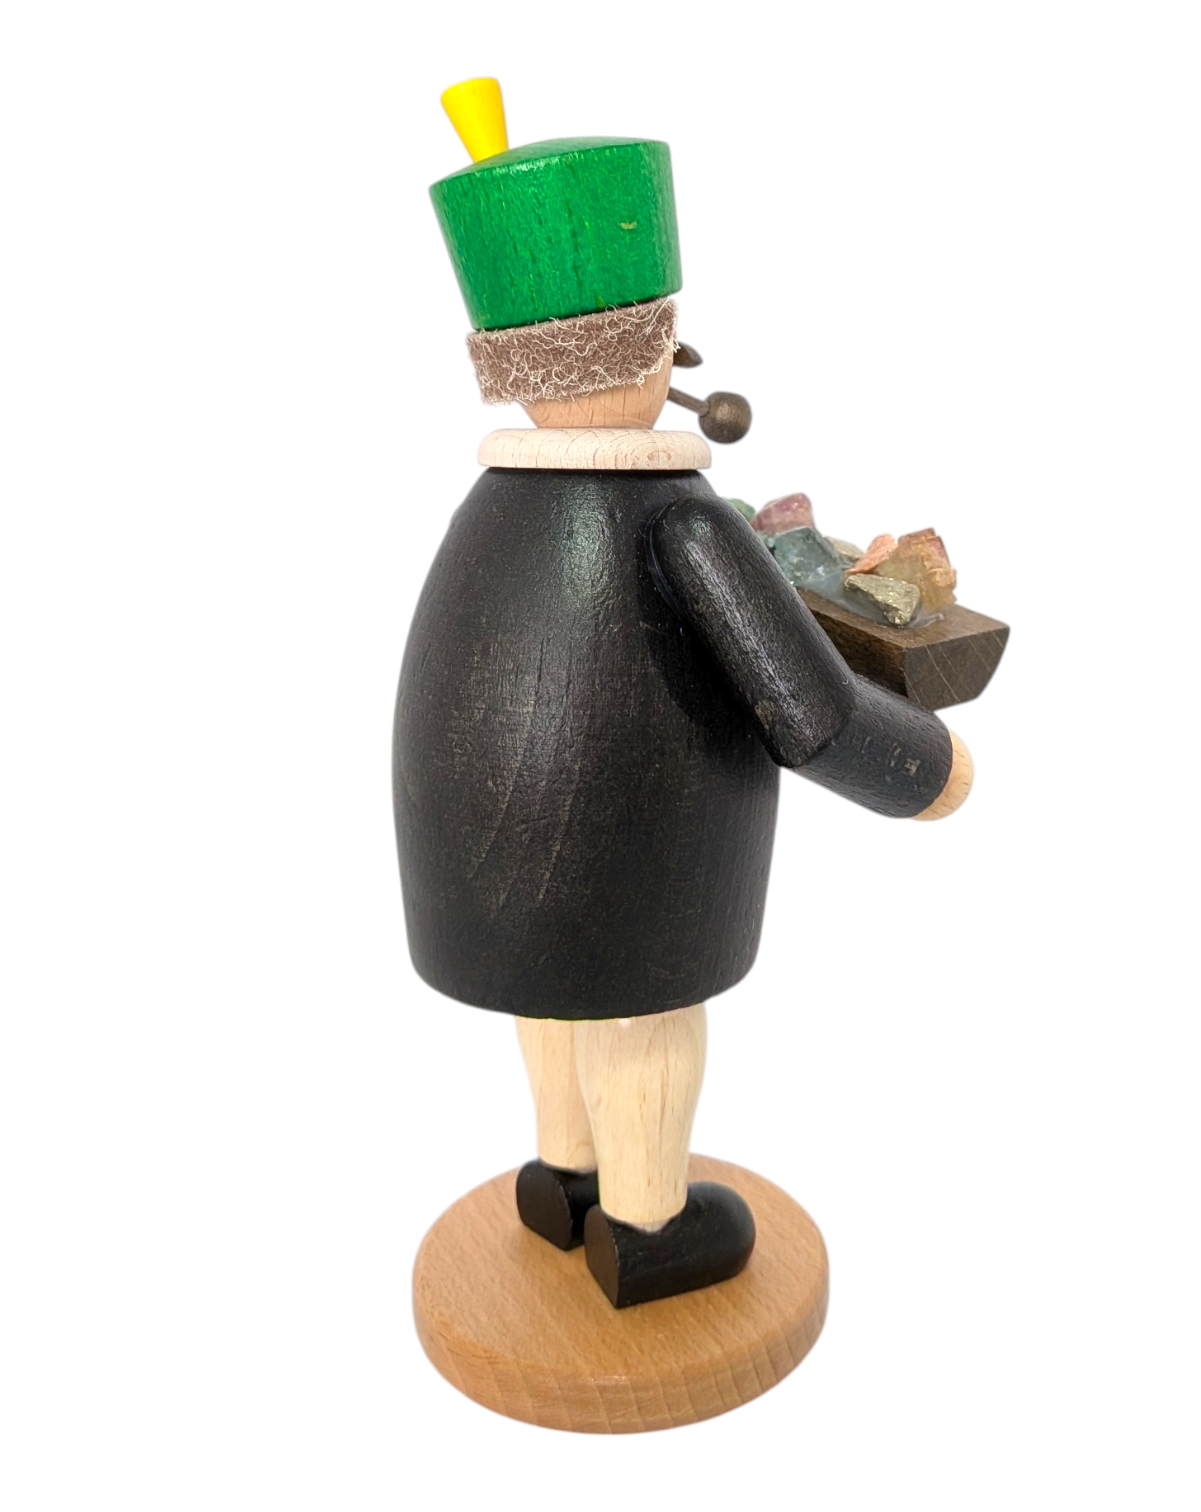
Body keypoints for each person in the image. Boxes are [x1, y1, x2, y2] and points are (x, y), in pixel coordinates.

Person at [394, 80, 973, 1308]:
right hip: (642, 856)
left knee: (559, 999)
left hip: (489, 857)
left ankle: (562, 1178)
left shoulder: (489, 512)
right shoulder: (680, 524)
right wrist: (930, 771)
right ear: (647, 351)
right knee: (645, 1015)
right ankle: (647, 1227)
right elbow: (808, 711)